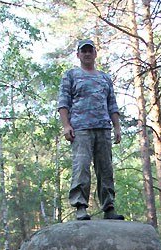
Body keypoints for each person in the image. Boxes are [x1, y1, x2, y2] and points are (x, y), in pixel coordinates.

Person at [58, 39, 124, 220]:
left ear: (95, 53)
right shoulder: (71, 75)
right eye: (83, 51)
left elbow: (112, 104)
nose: (87, 54)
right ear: (78, 55)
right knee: (81, 167)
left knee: (105, 169)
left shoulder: (104, 78)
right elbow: (63, 102)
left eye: (90, 51)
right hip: (80, 129)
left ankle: (109, 207)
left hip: (103, 128)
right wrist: (66, 125)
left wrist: (117, 127)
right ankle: (80, 206)